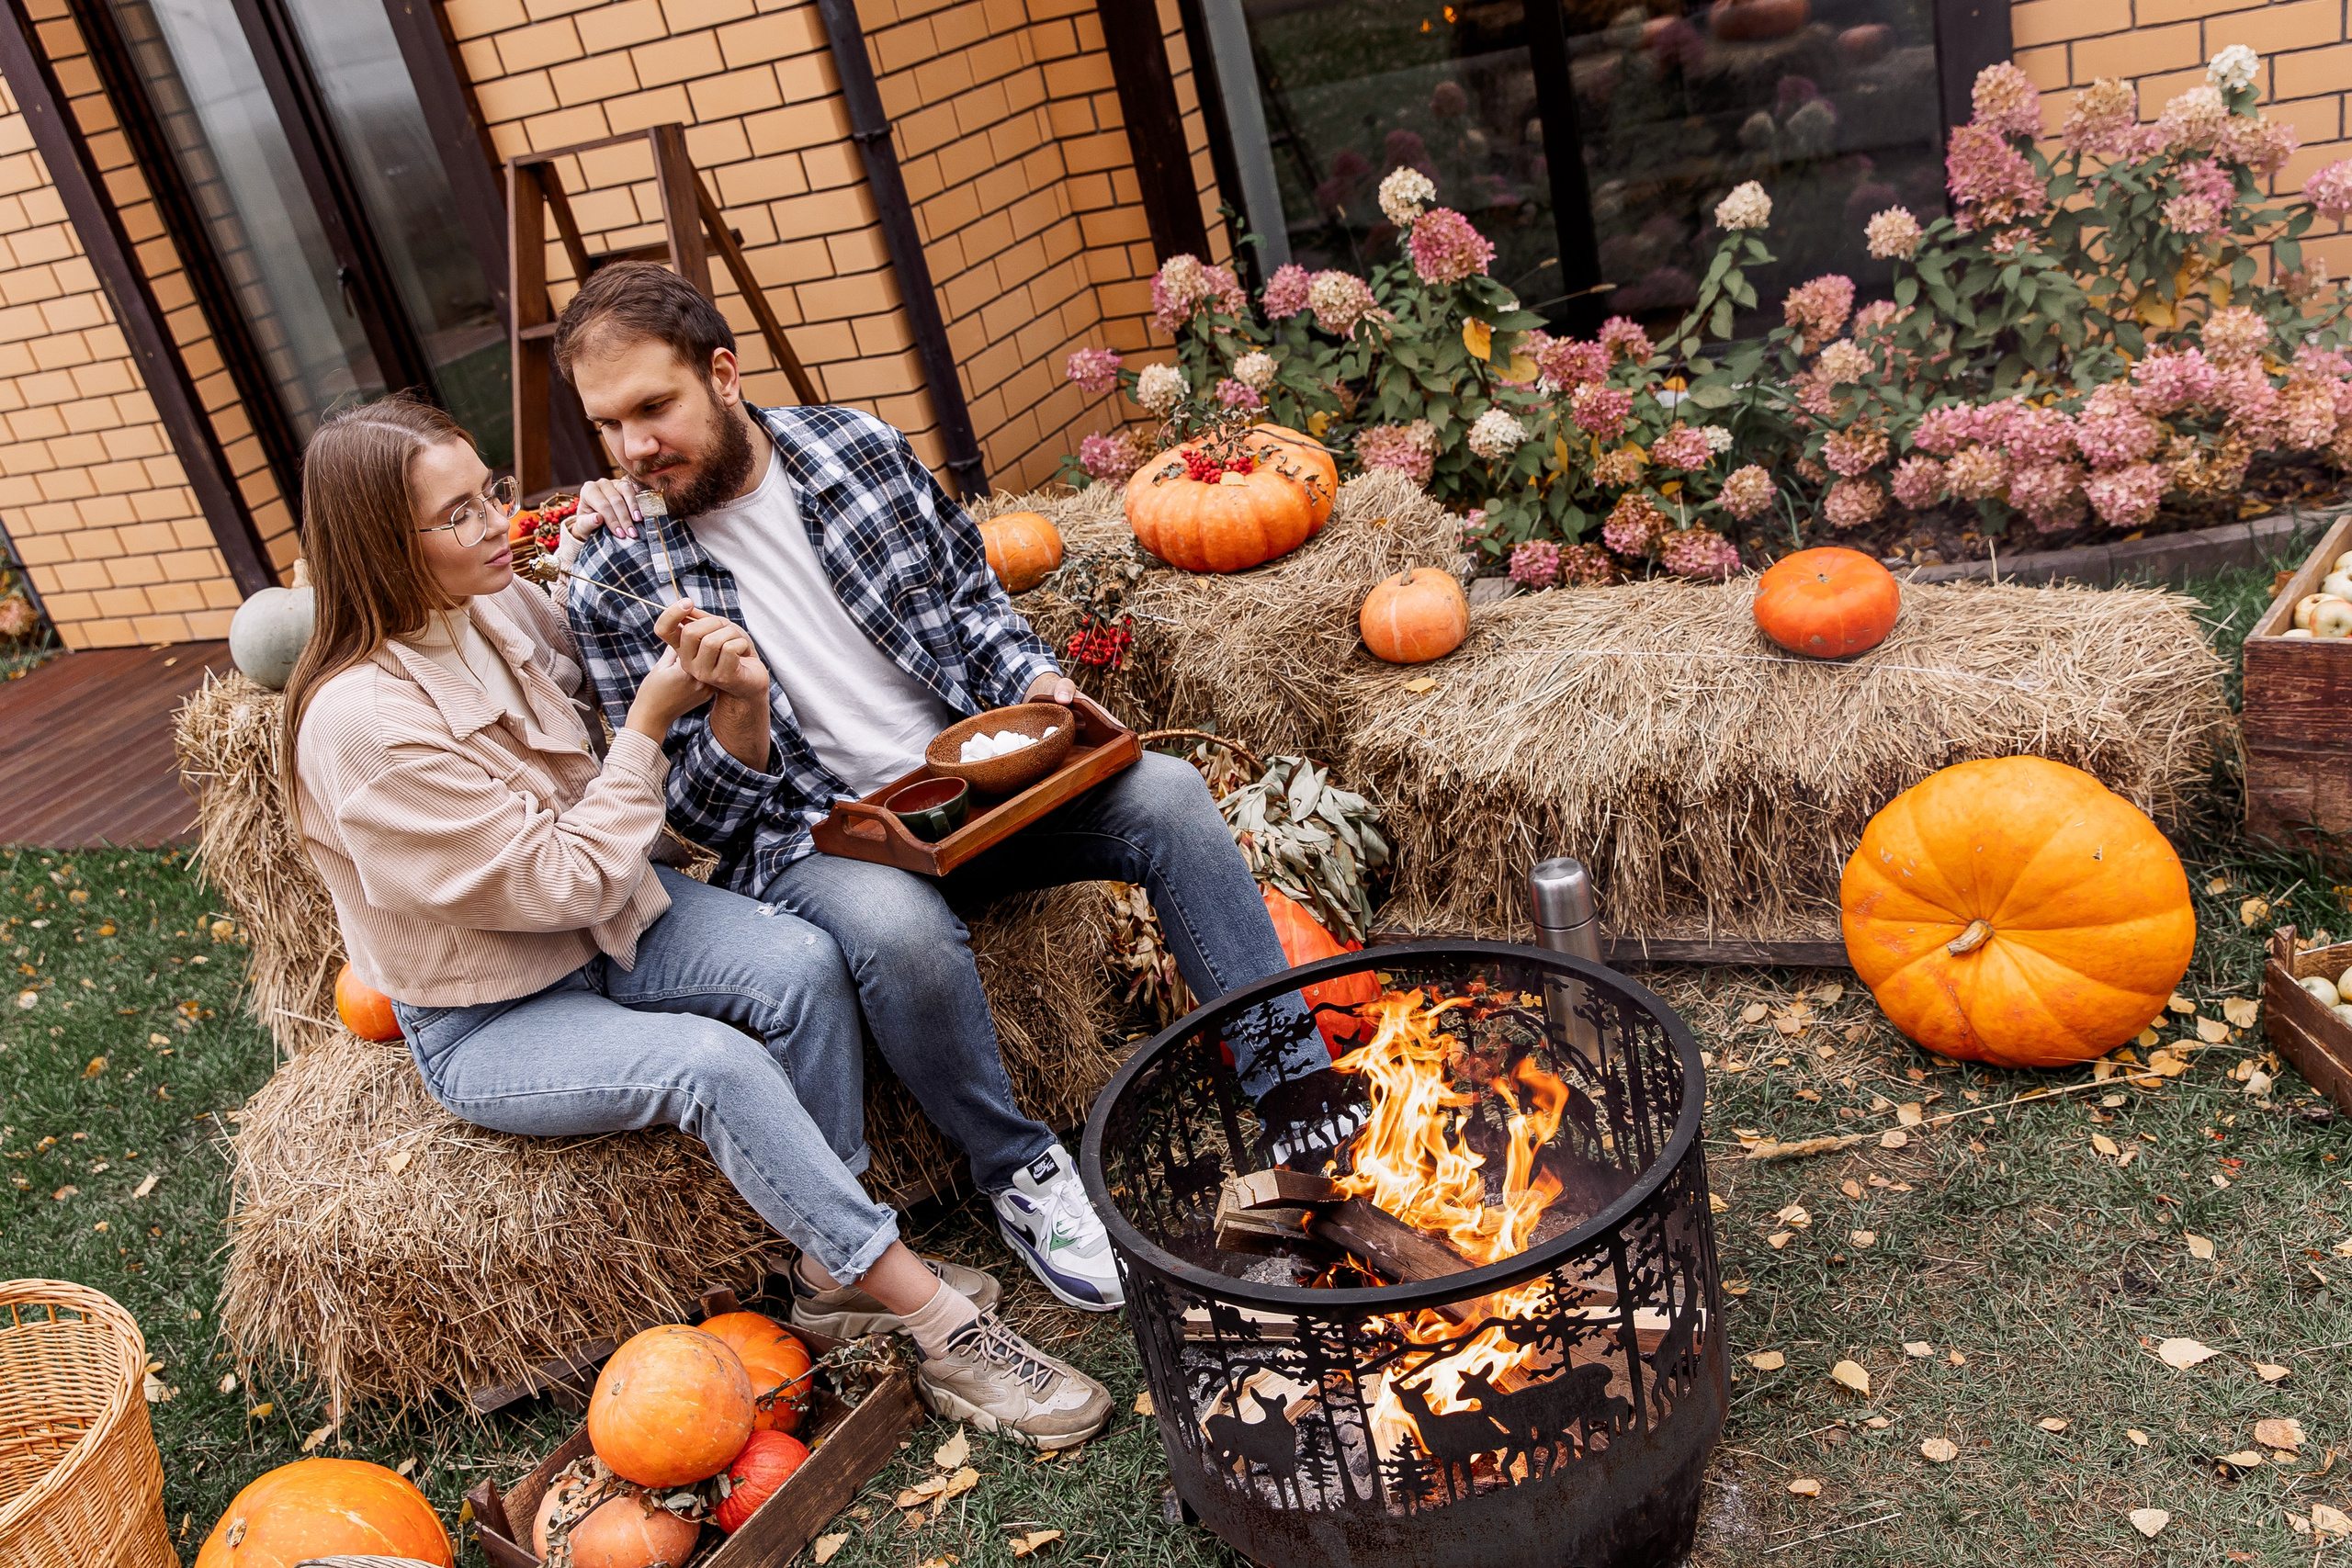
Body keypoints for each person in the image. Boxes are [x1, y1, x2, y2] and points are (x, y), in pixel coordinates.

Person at [279, 394, 1112, 1448]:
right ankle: (940, 1326)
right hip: (498, 1010)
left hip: (615, 929)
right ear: (377, 545)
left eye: (491, 490)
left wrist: (651, 603)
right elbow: (563, 881)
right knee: (711, 1067)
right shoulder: (361, 724)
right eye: (460, 515)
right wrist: (647, 721)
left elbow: (598, 649)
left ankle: (826, 1270)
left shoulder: (489, 609)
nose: (497, 523)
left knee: (802, 963)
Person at [552, 265, 1337, 1311]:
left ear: (725, 375)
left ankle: (1291, 1084)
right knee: (900, 933)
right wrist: (735, 711)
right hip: (816, 836)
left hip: (972, 780)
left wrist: (1034, 681)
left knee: (1170, 795)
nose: (635, 448)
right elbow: (694, 819)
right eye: (608, 427)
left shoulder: (858, 451)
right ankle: (1019, 1170)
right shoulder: (613, 575)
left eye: (655, 407)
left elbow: (973, 604)